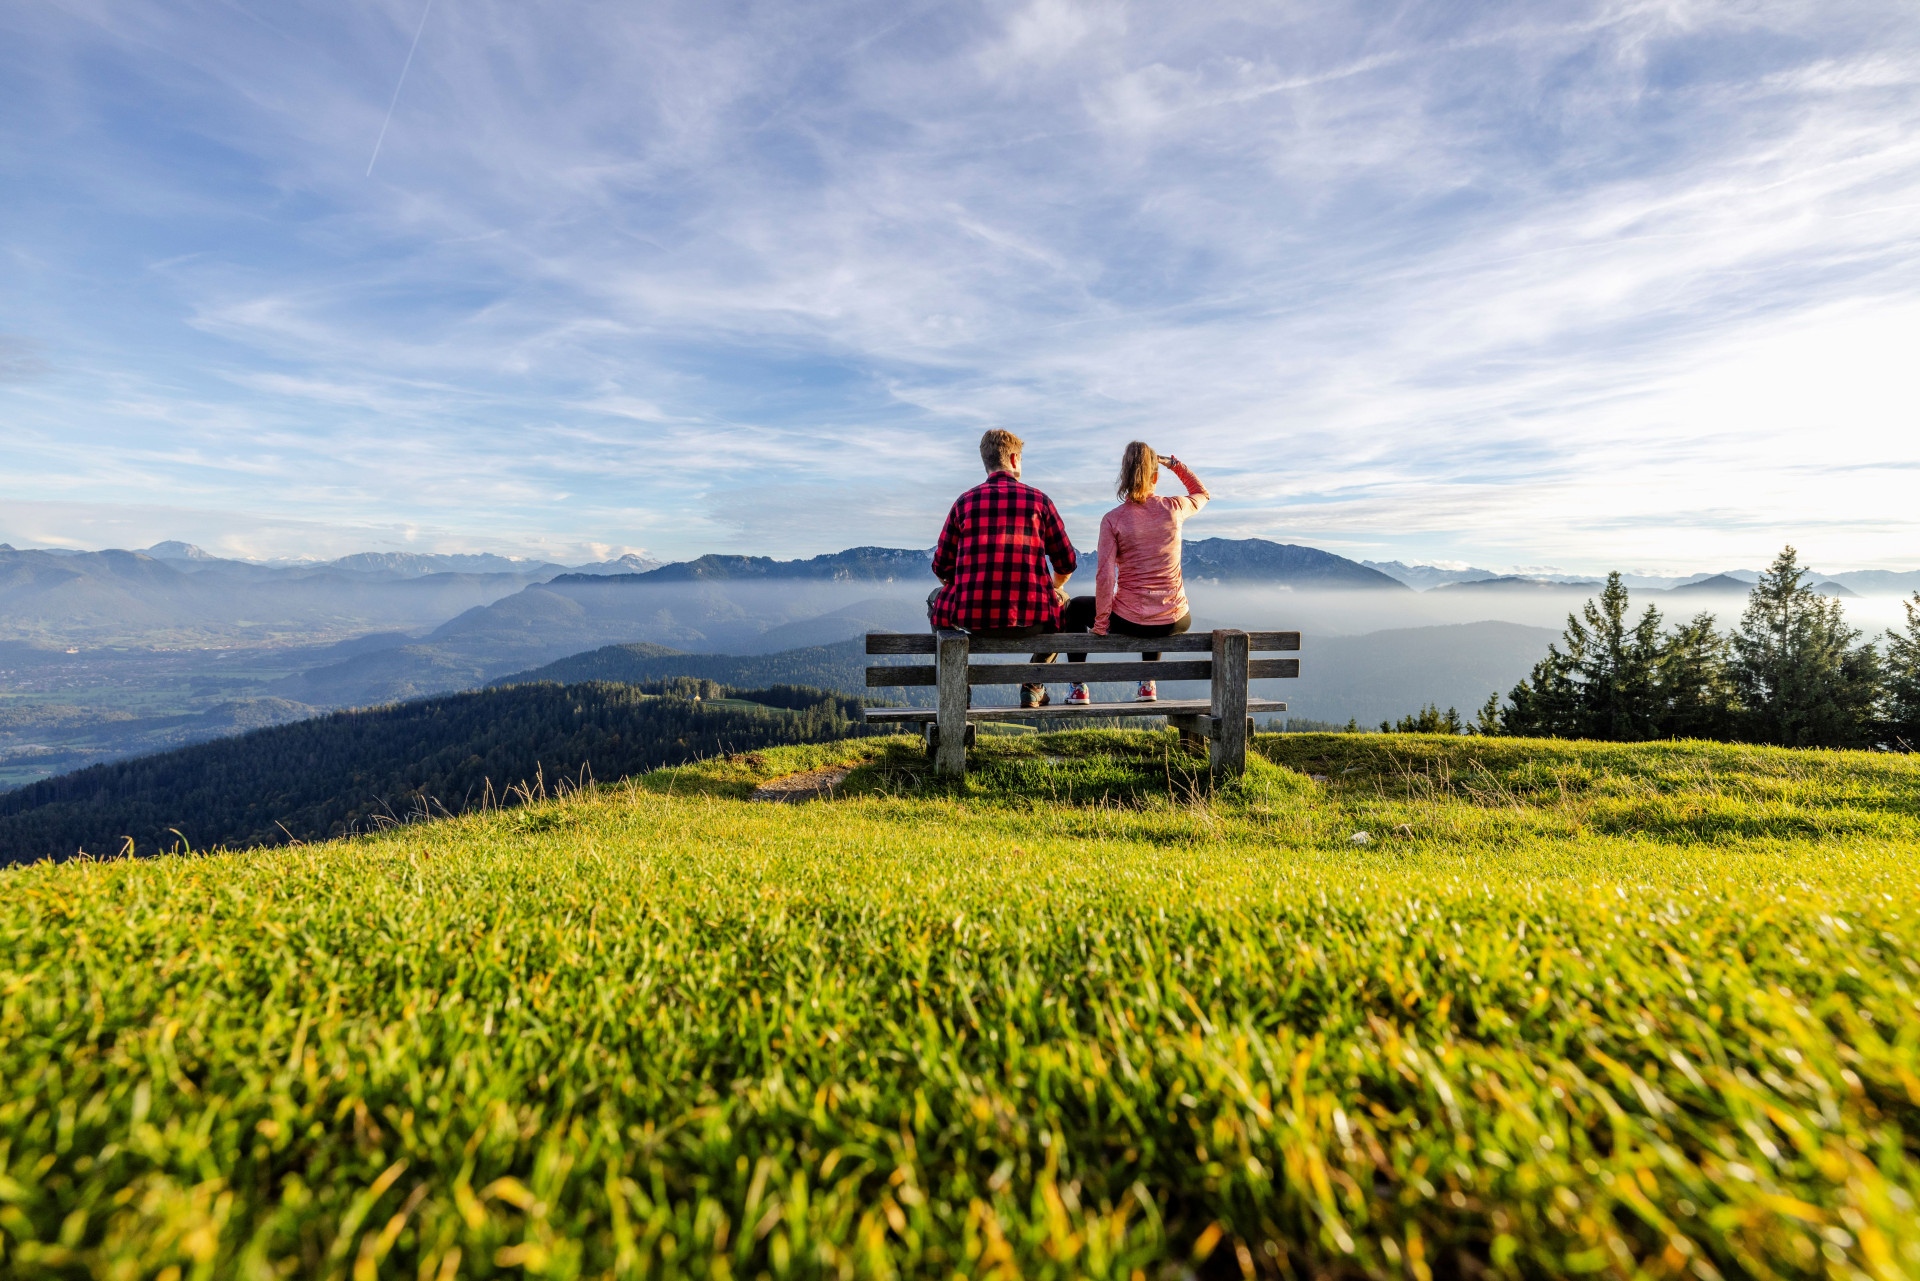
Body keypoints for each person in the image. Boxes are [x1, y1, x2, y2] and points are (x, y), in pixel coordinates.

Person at [1046, 442, 1209, 703]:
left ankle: (1078, 688)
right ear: (1155, 477)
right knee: (1156, 611)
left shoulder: (1113, 519)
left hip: (1130, 620)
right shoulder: (1175, 508)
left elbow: (1105, 576)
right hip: (1175, 620)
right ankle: (1148, 685)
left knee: (1075, 607)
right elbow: (1201, 493)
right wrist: (1175, 464)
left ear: (1124, 477)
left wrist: (1100, 623)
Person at [929, 429, 1079, 709]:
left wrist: (962, 585)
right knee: (1065, 604)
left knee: (935, 599)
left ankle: (958, 686)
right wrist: (1055, 588)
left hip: (973, 619)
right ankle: (1033, 685)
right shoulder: (1040, 502)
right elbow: (1066, 563)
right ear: (1013, 458)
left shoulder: (964, 503)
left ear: (986, 462)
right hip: (1033, 620)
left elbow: (941, 567)